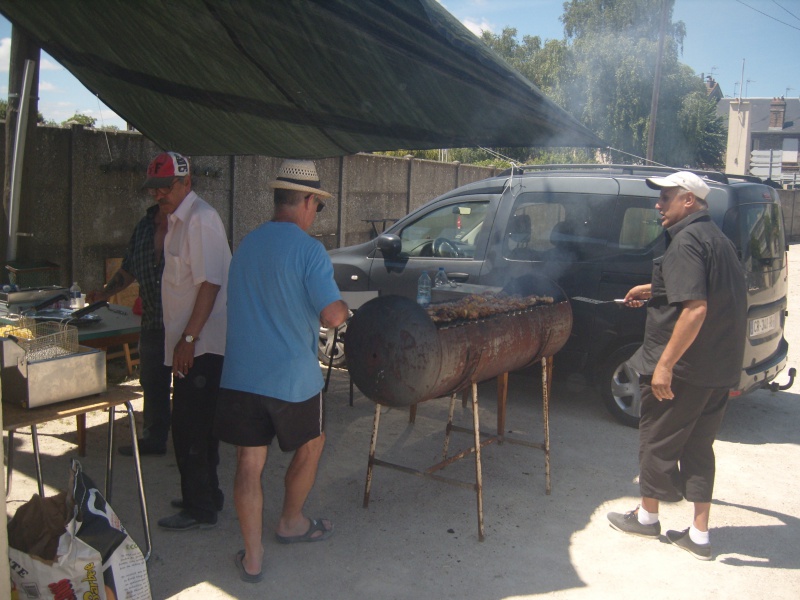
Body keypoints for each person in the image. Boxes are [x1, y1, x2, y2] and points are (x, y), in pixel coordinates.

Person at [214, 159, 349, 583]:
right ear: (307, 201)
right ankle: (291, 521)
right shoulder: (310, 251)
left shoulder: (246, 245)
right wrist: (344, 309)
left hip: (240, 377)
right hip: (292, 380)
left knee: (248, 464)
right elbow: (330, 315)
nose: (315, 214)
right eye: (317, 206)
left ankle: (252, 560)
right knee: (312, 444)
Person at [607, 171, 747, 561]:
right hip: (718, 368)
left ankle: (648, 517)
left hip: (686, 369)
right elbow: (706, 287)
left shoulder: (685, 240)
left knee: (657, 440)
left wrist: (665, 364)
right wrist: (652, 288)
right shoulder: (718, 239)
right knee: (700, 447)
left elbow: (696, 307)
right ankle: (699, 536)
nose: (658, 205)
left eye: (666, 197)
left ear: (689, 201)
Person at [143, 151, 232, 531]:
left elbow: (211, 283)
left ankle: (200, 508)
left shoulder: (201, 219)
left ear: (186, 183)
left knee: (189, 427)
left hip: (203, 345)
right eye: (155, 188)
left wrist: (189, 339)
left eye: (166, 186)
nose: (159, 194)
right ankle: (206, 494)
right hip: (191, 343)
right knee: (199, 426)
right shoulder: (177, 221)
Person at [88, 204, 172, 456]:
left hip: (185, 323)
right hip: (152, 322)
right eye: (156, 190)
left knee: (190, 386)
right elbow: (128, 269)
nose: (161, 194)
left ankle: (193, 444)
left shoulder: (193, 223)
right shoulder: (144, 227)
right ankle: (154, 439)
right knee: (152, 381)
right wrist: (105, 293)